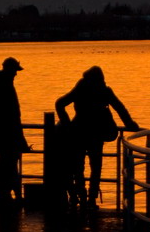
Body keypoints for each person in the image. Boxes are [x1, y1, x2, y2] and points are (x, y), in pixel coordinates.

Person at [55, 66, 139, 209]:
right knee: (95, 167)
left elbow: (60, 103)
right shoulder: (104, 91)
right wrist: (130, 124)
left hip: (78, 133)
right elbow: (120, 108)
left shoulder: (80, 88)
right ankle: (91, 198)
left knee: (78, 167)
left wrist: (67, 124)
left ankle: (81, 196)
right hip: (95, 134)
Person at [0, 57, 30, 208]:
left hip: (0, 133)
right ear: (10, 70)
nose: (16, 74)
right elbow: (12, 116)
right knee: (9, 164)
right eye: (15, 71)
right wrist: (21, 139)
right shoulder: (4, 85)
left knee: (5, 165)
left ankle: (6, 195)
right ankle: (10, 196)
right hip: (8, 134)